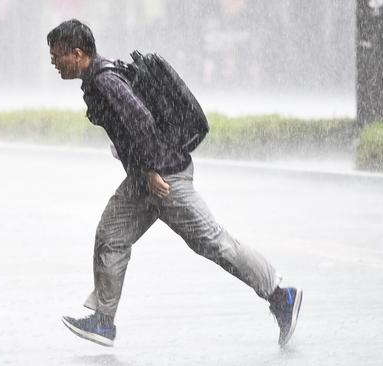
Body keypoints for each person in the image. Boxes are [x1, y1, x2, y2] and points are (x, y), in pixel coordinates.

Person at [47, 19, 302, 348]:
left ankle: (281, 297)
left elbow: (140, 118)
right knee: (110, 235)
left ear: (77, 54)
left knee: (214, 243)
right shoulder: (97, 78)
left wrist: (152, 168)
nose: (54, 63)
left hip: (164, 178)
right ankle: (103, 322)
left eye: (57, 57)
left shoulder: (106, 79)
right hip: (143, 180)